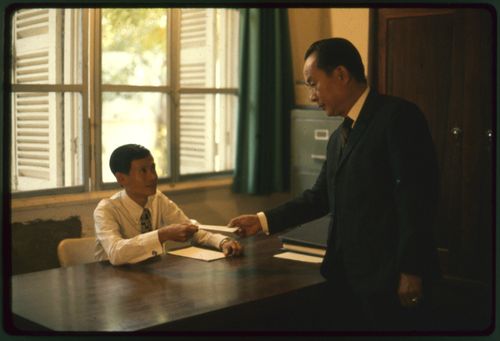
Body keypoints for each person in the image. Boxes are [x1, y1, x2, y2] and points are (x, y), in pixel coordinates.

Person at [228, 38, 440, 331]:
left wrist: (412, 270)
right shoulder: (339, 136)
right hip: (345, 277)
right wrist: (262, 221)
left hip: (388, 278)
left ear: (341, 74)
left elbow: (416, 200)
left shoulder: (398, 117)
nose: (312, 96)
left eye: (313, 83)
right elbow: (319, 197)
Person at [94, 144, 242, 265]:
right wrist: (161, 235)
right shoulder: (106, 209)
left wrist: (223, 242)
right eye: (143, 171)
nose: (152, 177)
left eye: (153, 168)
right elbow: (115, 253)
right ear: (121, 178)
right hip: (112, 281)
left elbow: (191, 229)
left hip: (149, 276)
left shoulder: (157, 198)